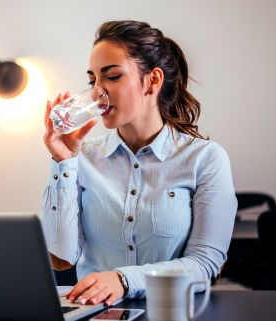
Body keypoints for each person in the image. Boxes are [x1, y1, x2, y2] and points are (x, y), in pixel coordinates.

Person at [40, 20, 237, 306]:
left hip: (172, 316)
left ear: (153, 81)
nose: (97, 92)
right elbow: (60, 259)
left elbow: (205, 265)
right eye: (93, 79)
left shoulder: (205, 159)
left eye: (113, 76)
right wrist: (63, 162)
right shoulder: (82, 157)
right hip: (95, 316)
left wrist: (124, 280)